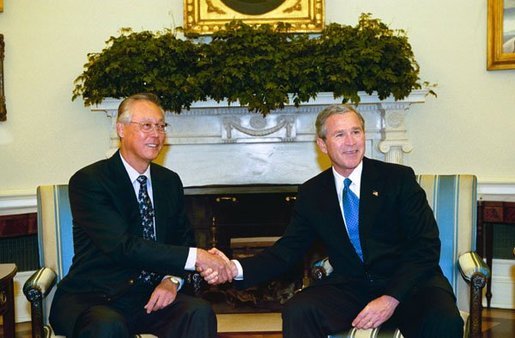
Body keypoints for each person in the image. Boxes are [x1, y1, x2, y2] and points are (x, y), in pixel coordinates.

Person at [201, 104, 464, 337]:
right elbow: (286, 251)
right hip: (352, 286)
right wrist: (235, 269)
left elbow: (424, 246)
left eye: (356, 132)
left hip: (411, 284)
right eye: (340, 135)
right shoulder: (313, 193)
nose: (351, 142)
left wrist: (390, 298)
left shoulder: (397, 179)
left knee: (444, 321)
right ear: (323, 144)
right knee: (299, 310)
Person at [49, 93, 233, 338]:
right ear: (121, 129)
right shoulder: (90, 181)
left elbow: (183, 239)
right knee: (107, 326)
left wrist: (171, 280)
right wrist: (197, 257)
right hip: (96, 297)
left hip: (150, 295)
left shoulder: (169, 182)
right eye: (146, 125)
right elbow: (122, 246)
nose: (156, 134)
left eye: (160, 126)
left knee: (198, 311)